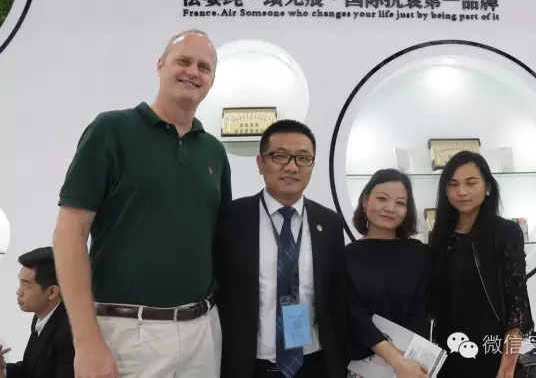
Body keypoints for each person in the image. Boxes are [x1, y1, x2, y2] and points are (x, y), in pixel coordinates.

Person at [52, 29, 232, 378]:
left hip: (202, 332)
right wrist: (87, 342)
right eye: (183, 61)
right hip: (126, 335)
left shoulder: (213, 151)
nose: (193, 72)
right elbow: (69, 234)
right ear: (160, 65)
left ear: (211, 80)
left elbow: (218, 243)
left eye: (204, 67)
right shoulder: (111, 130)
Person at [216, 119, 347, 378]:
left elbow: (336, 298)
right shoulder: (231, 219)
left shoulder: (329, 222)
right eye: (280, 156)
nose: (292, 167)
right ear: (260, 163)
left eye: (303, 158)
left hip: (314, 363)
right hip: (249, 365)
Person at [428, 151, 534, 378]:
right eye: (453, 184)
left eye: (470, 183)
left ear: (488, 187)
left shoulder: (505, 232)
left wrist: (507, 368)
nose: (461, 191)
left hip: (491, 352)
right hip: (448, 351)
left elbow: (518, 306)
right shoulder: (441, 235)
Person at [346, 169, 430, 378]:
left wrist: (408, 363)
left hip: (415, 365)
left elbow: (421, 313)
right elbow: (354, 316)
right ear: (365, 201)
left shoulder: (420, 254)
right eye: (382, 199)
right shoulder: (345, 256)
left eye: (400, 203)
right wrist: (396, 360)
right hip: (363, 368)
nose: (390, 208)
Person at [1, 247, 74, 378]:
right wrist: (3, 371)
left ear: (52, 292)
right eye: (20, 283)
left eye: (25, 284)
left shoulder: (69, 333)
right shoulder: (41, 317)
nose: (19, 292)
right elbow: (31, 369)